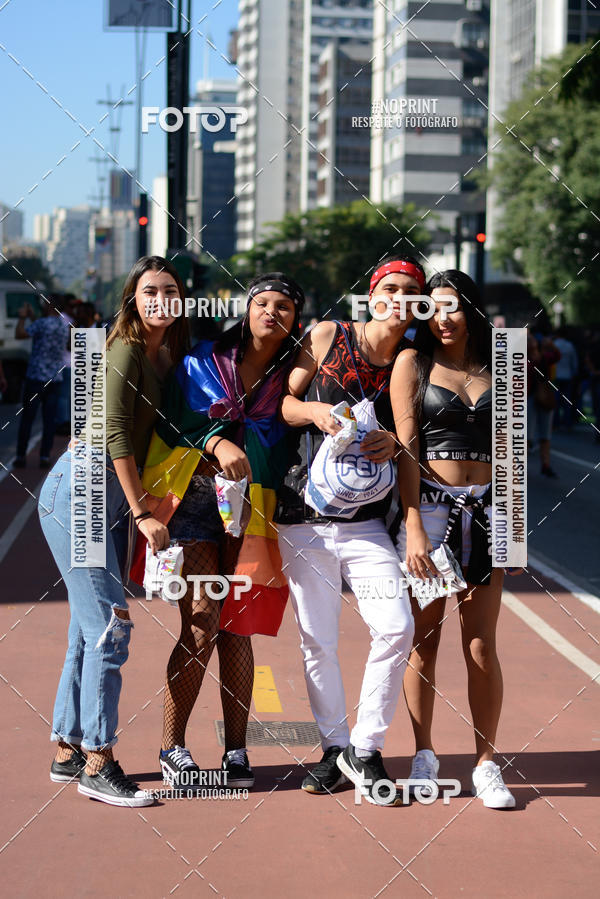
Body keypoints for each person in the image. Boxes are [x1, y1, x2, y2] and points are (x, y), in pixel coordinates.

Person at [132, 273, 304, 789]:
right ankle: (173, 747)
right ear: (246, 310)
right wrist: (215, 441)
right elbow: (171, 420)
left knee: (237, 628)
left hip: (252, 511)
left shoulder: (292, 375)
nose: (271, 312)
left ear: (296, 319)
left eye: (284, 306)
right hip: (192, 504)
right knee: (203, 622)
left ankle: (236, 750)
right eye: (262, 303)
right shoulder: (202, 360)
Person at [38, 255, 189, 807]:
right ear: (133, 298)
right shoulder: (125, 346)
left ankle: (67, 749)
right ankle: (98, 762)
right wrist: (143, 511)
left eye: (170, 290)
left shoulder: (165, 353)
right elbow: (116, 435)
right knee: (110, 626)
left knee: (88, 629)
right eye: (150, 291)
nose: (161, 299)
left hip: (107, 493)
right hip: (85, 489)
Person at [276, 254, 420, 806]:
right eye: (391, 288)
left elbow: (411, 436)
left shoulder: (410, 358)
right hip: (304, 518)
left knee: (396, 627)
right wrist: (315, 413)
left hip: (366, 523)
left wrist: (393, 442)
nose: (400, 299)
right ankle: (333, 748)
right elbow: (284, 404)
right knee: (318, 639)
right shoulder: (329, 335)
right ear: (373, 293)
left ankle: (366, 747)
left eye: (411, 292)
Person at [391, 269, 516, 810]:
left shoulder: (502, 363)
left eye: (454, 306)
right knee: (424, 639)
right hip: (431, 512)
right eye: (432, 308)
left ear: (473, 311)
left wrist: (513, 529)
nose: (442, 318)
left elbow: (512, 449)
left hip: (488, 511)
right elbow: (406, 447)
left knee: (481, 642)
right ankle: (424, 755)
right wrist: (413, 524)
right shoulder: (412, 363)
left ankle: (486, 763)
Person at [14, 294, 70, 468]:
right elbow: (44, 331)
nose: (43, 306)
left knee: (28, 418)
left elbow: (20, 334)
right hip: (54, 378)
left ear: (51, 305)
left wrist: (22, 317)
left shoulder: (42, 323)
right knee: (49, 420)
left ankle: (21, 456)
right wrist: (32, 317)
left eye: (45, 303)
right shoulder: (63, 325)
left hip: (36, 377)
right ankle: (45, 456)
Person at [527, 332, 561, 477]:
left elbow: (557, 356)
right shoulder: (522, 359)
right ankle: (519, 466)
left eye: (532, 339)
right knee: (526, 435)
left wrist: (551, 345)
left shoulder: (544, 357)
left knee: (545, 434)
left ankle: (545, 464)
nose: (531, 341)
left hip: (545, 398)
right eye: (528, 340)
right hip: (528, 399)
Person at [553, 326, 579, 430]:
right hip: (567, 375)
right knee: (567, 399)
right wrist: (574, 372)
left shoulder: (554, 345)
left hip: (556, 375)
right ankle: (567, 422)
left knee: (556, 399)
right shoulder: (570, 346)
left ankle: (556, 422)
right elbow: (574, 361)